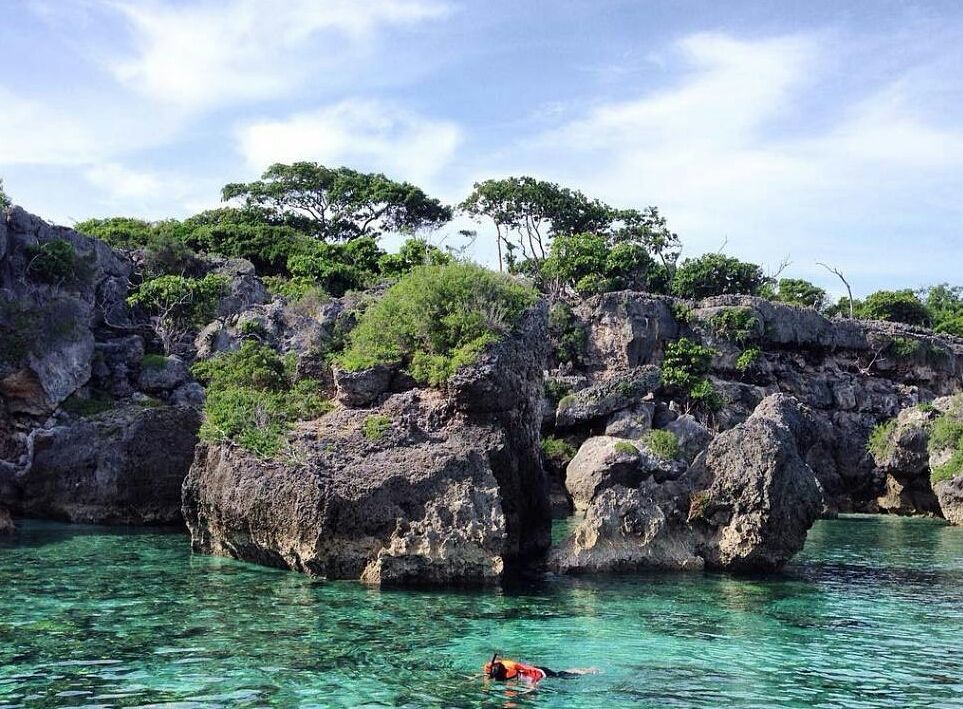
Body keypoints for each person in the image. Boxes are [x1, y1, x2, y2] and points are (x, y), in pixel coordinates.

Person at [483, 654, 596, 685]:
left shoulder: (511, 665)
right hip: (532, 671)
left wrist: (532, 685)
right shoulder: (493, 666)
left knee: (561, 675)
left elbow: (533, 674)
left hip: (540, 673)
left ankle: (587, 671)